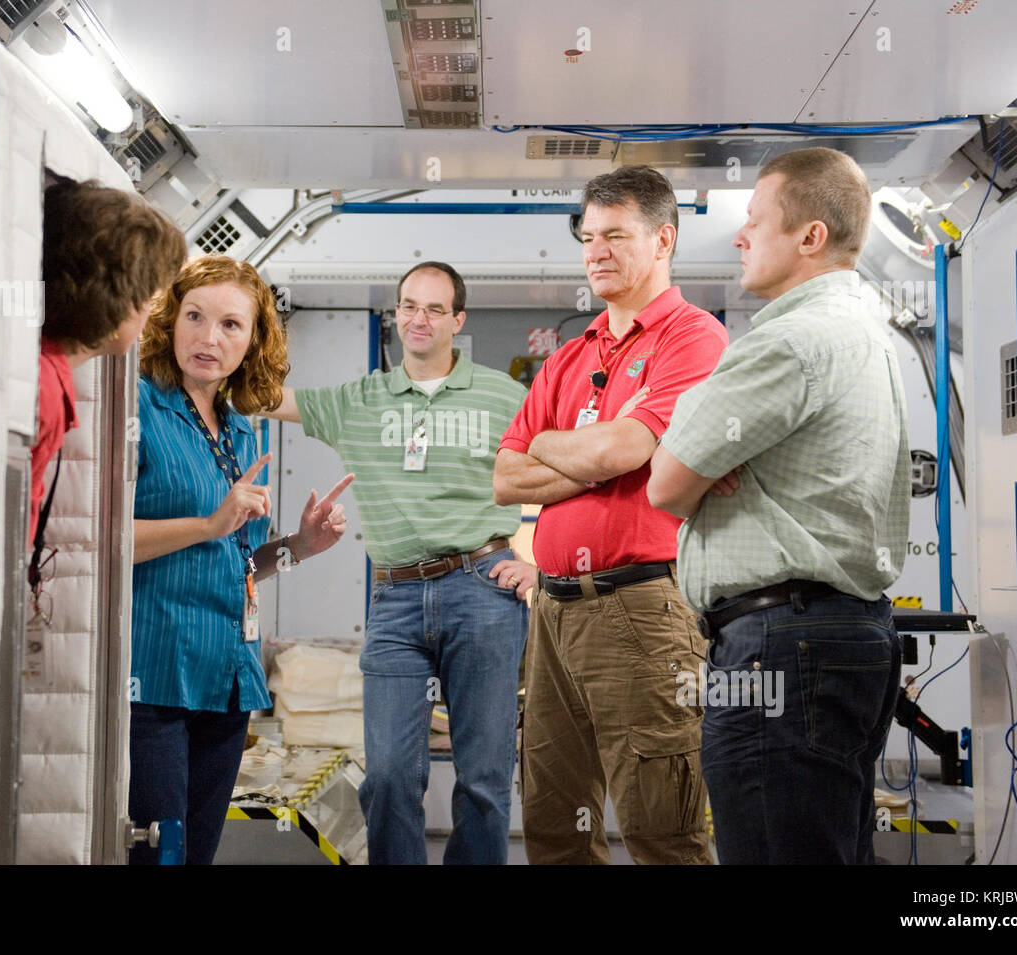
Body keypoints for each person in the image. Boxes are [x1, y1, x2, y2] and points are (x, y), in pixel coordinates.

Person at [646, 146, 910, 864]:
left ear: (810, 236)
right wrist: (710, 454)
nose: (739, 234)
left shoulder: (790, 340)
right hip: (836, 637)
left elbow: (666, 482)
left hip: (781, 647)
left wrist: (697, 444)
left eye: (755, 220)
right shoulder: (868, 333)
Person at [494, 164, 728, 865]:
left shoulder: (694, 339)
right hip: (554, 613)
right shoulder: (570, 356)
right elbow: (507, 477)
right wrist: (590, 454)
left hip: (642, 611)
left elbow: (631, 447)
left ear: (663, 239)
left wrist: (564, 447)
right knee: (555, 826)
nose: (595, 250)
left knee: (663, 831)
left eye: (615, 234)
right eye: (587, 235)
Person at [263, 262, 532, 865]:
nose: (419, 317)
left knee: (485, 781)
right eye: (409, 305)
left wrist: (543, 568)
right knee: (385, 777)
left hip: (483, 589)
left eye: (435, 308)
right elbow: (263, 397)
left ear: (457, 321)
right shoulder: (360, 399)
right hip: (395, 598)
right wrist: (209, 344)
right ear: (396, 315)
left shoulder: (505, 395)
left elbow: (568, 474)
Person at [129, 255, 354, 865]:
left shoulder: (239, 427)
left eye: (231, 325)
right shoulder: (137, 407)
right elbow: (100, 540)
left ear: (253, 341)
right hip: (152, 676)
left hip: (226, 679)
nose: (209, 338)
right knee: (157, 854)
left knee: (197, 856)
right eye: (195, 317)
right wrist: (208, 522)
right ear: (169, 321)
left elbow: (236, 561)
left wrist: (298, 548)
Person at [31, 175, 186, 547]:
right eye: (148, 296)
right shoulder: (45, 389)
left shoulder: (46, 370)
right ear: (116, 300)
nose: (150, 311)